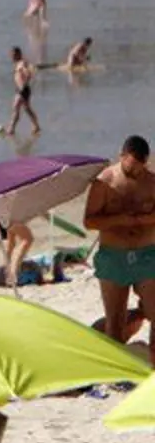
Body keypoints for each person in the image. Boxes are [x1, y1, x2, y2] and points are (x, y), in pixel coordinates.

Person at [85, 136, 155, 364]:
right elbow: (89, 221)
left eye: (141, 167)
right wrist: (121, 220)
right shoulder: (105, 182)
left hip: (146, 255)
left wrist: (143, 219)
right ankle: (118, 369)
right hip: (114, 257)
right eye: (131, 166)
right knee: (115, 320)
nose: (136, 171)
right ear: (121, 156)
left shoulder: (151, 181)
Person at [1, 47, 41, 136]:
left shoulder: (22, 63)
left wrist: (27, 73)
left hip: (23, 89)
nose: (12, 57)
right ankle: (36, 125)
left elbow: (27, 69)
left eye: (14, 55)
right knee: (26, 109)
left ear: (19, 54)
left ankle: (11, 129)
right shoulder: (18, 64)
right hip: (20, 89)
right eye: (11, 55)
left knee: (16, 107)